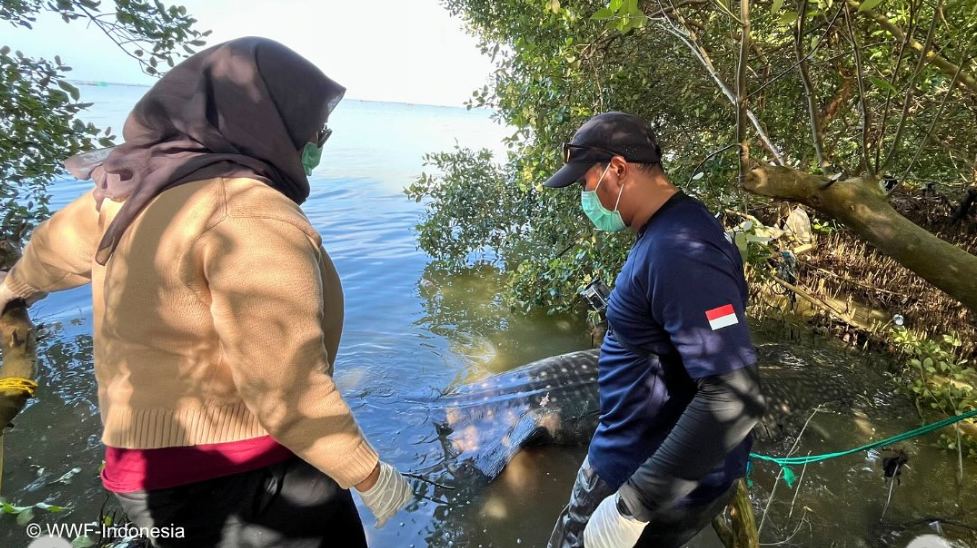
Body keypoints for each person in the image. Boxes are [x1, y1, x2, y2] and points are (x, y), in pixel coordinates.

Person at [0, 37, 411, 548]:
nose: (318, 143)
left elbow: (53, 249)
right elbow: (283, 385)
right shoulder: (249, 214)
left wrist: (12, 286)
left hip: (143, 477)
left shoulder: (134, 185)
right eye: (314, 129)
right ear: (268, 124)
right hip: (244, 472)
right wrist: (370, 474)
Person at [542, 112, 766, 548]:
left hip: (635, 482)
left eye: (587, 183)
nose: (586, 197)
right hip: (638, 462)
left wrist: (632, 506)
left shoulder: (680, 251)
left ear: (619, 169)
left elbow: (735, 395)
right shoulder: (677, 228)